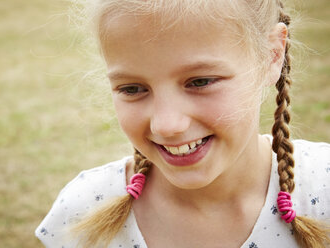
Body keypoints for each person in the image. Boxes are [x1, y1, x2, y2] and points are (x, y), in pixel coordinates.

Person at [35, 0, 330, 247]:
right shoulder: (82, 213)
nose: (167, 125)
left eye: (199, 81)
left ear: (272, 56)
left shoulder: (323, 190)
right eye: (133, 89)